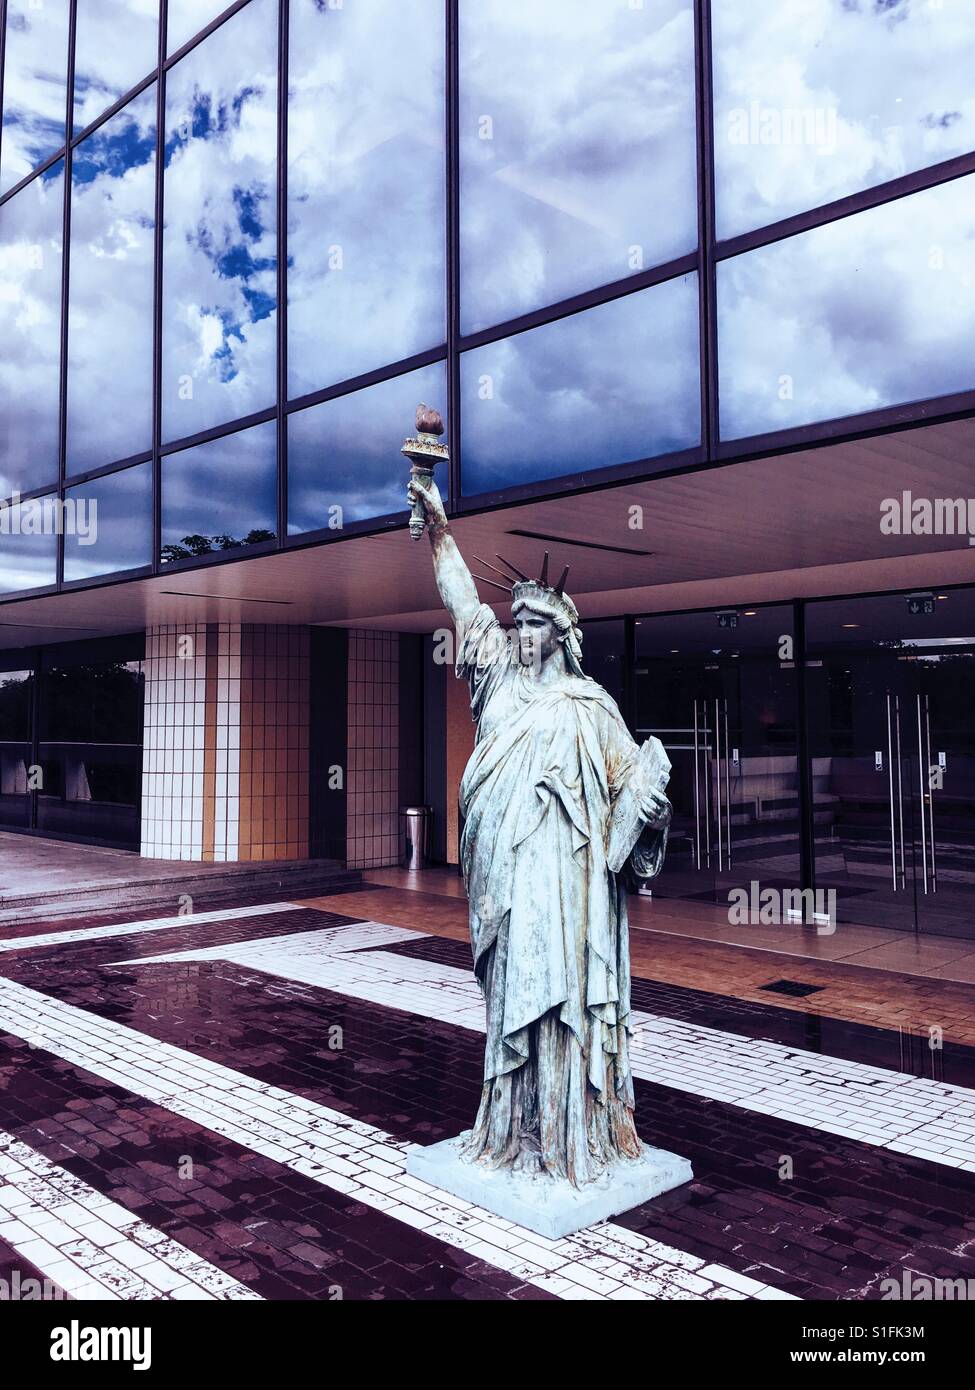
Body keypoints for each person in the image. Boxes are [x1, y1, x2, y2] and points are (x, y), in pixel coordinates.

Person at [407, 470, 672, 1187]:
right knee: (511, 991)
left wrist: (648, 808)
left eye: (535, 625)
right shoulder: (492, 678)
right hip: (503, 866)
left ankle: (572, 1131)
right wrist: (438, 526)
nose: (521, 635)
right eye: (516, 624)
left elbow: (632, 791)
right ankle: (512, 1126)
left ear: (561, 634)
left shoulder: (591, 704)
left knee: (563, 999)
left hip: (570, 877)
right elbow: (460, 596)